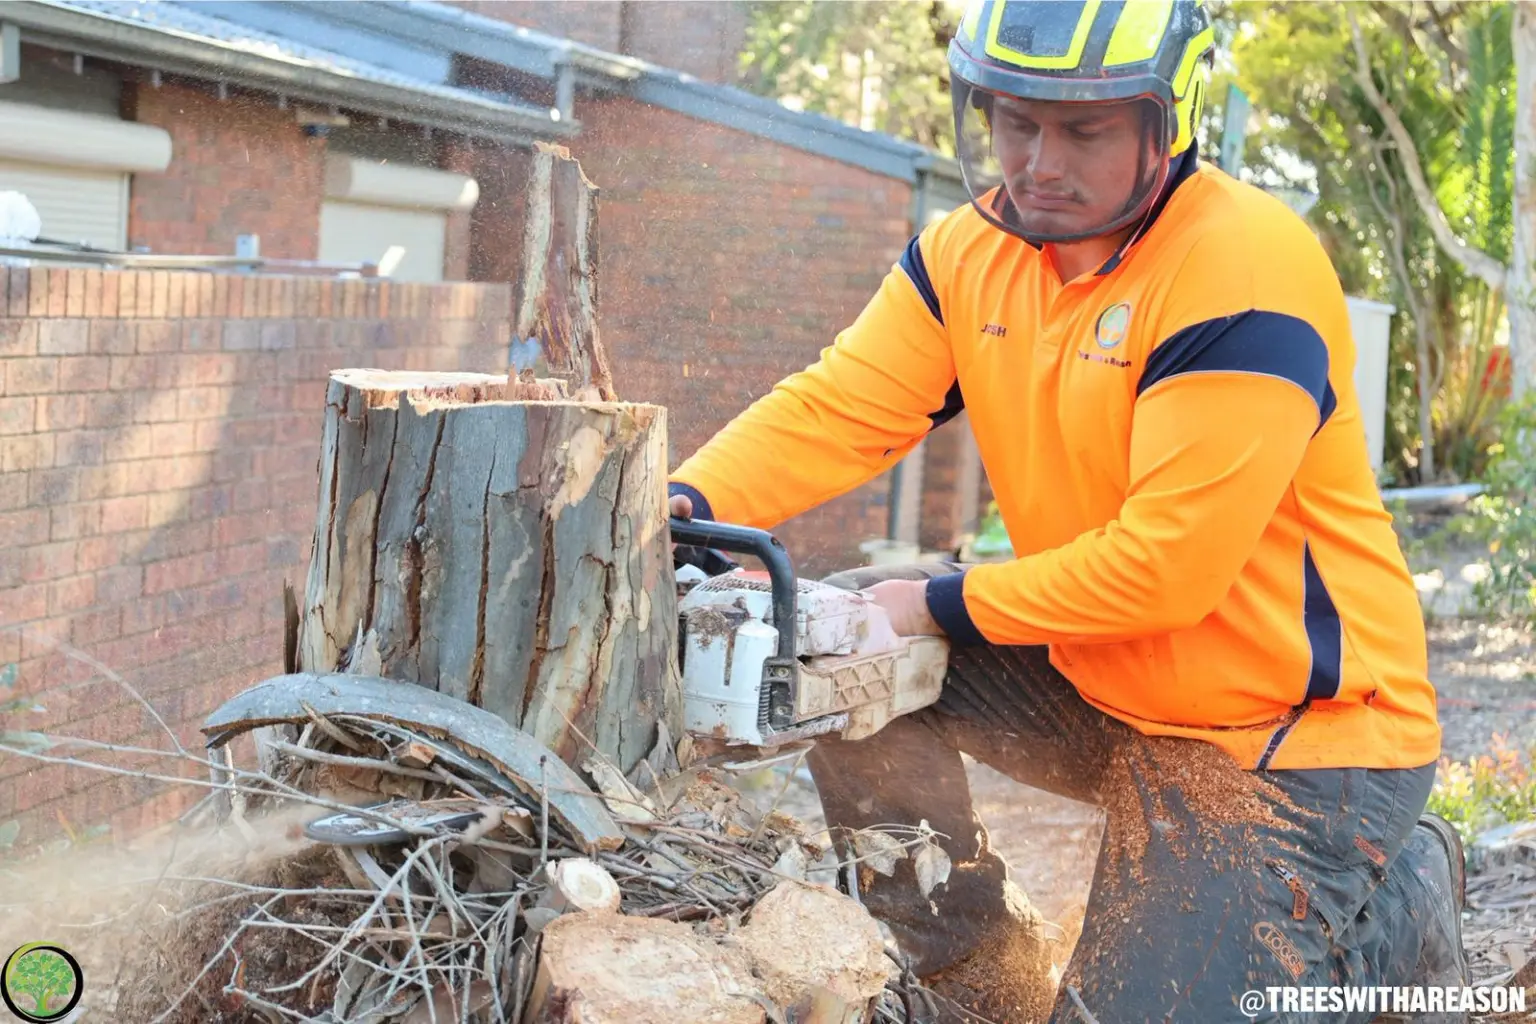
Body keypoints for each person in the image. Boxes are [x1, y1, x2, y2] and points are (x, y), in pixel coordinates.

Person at [668, 1, 1469, 1020]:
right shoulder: (969, 255)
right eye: (1015, 121)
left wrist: (935, 601)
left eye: (1083, 129)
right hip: (1109, 686)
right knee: (832, 641)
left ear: (1160, 117)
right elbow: (837, 409)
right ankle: (970, 972)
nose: (1041, 159)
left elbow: (1166, 569)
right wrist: (678, 502)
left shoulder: (1241, 270)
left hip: (1290, 738)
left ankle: (1394, 915)